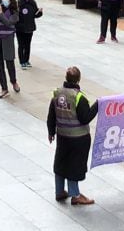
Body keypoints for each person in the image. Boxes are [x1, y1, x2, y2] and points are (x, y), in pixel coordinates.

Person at [47, 66, 99, 206]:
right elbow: (85, 118)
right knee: (74, 165)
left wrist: (51, 132)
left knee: (61, 162)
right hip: (78, 138)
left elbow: (51, 114)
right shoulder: (78, 97)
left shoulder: (57, 94)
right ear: (78, 79)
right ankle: (75, 195)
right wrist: (97, 105)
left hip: (62, 136)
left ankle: (59, 191)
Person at [16, 0, 43, 69]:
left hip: (30, 27)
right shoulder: (19, 3)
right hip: (20, 28)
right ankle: (22, 61)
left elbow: (35, 15)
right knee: (21, 45)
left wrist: (40, 12)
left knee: (28, 45)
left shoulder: (32, 3)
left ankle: (26, 60)